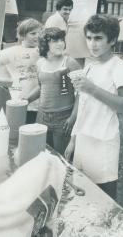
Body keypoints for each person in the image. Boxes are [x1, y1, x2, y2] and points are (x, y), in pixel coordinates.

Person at [65, 14, 123, 200]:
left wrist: (92, 88)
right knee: (81, 193)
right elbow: (82, 101)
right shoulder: (89, 66)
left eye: (98, 38)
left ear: (112, 40)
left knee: (104, 198)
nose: (92, 44)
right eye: (89, 38)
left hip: (103, 141)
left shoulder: (119, 67)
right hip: (83, 139)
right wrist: (73, 139)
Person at [24, 27, 80, 155]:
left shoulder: (70, 63)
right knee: (40, 154)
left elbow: (82, 94)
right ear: (45, 43)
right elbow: (42, 87)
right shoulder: (40, 64)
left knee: (60, 157)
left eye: (62, 40)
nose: (60, 43)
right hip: (42, 116)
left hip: (63, 118)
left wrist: (73, 118)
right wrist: (26, 99)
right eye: (55, 41)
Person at [0, 18, 42, 123]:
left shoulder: (45, 51)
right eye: (33, 33)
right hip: (20, 101)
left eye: (39, 33)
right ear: (23, 35)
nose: (37, 36)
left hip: (43, 103)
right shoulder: (12, 51)